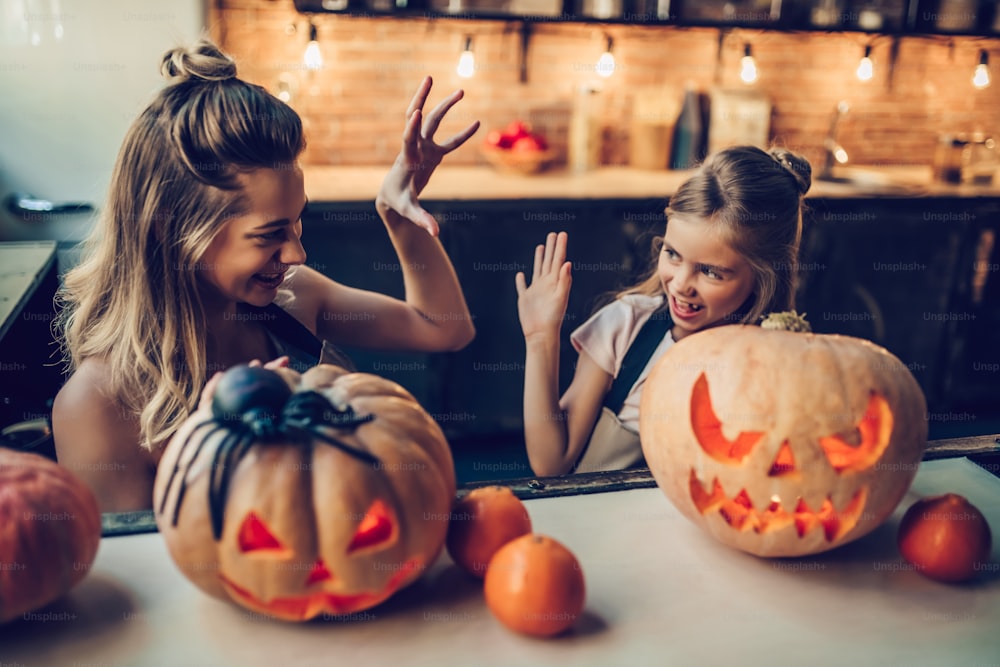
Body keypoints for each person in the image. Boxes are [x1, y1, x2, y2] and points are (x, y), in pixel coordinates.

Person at [51, 39, 478, 512]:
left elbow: (445, 329)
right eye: (270, 234)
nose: (297, 253)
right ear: (170, 227)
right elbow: (147, 571)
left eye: (297, 222)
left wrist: (397, 213)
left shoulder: (292, 299)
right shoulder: (97, 405)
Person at [515, 145, 812, 477]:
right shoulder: (624, 327)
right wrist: (540, 338)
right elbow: (551, 463)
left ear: (763, 277)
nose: (682, 283)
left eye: (711, 271)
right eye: (673, 254)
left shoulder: (775, 363)